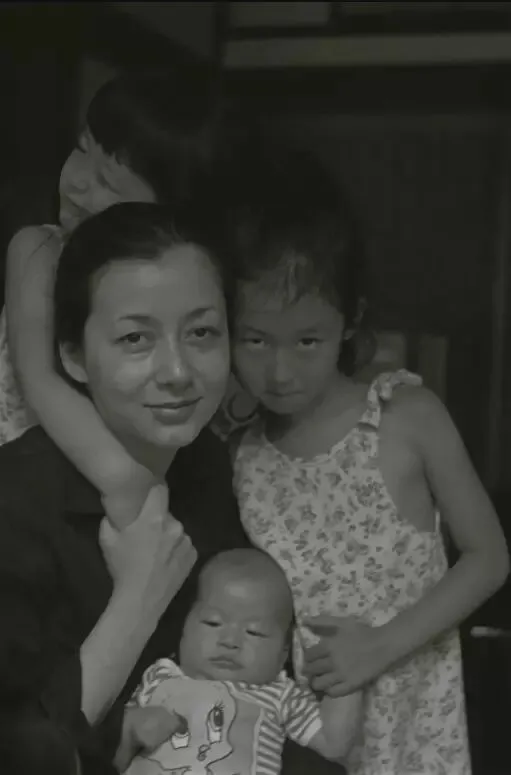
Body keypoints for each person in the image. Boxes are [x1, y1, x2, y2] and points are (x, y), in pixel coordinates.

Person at [223, 151, 509, 774]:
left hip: (412, 728)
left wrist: (379, 646)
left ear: (350, 320)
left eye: (307, 340)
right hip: (302, 743)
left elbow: (489, 558)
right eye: (255, 339)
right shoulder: (241, 454)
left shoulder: (405, 417)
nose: (280, 371)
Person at [0, 202, 250, 775]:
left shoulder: (205, 463)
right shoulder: (13, 504)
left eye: (202, 333)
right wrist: (137, 598)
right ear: (73, 356)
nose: (178, 372)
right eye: (136, 338)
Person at [1, 68, 232, 456]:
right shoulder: (40, 250)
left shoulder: (185, 282)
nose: (77, 180)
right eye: (81, 150)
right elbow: (39, 381)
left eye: (106, 182)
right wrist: (129, 482)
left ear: (163, 210)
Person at [123, 548, 363, 774]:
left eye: (254, 632)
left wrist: (344, 672)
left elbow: (334, 743)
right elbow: (111, 738)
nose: (230, 641)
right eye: (213, 623)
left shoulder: (280, 695)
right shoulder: (158, 676)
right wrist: (132, 726)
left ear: (283, 653)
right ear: (184, 628)